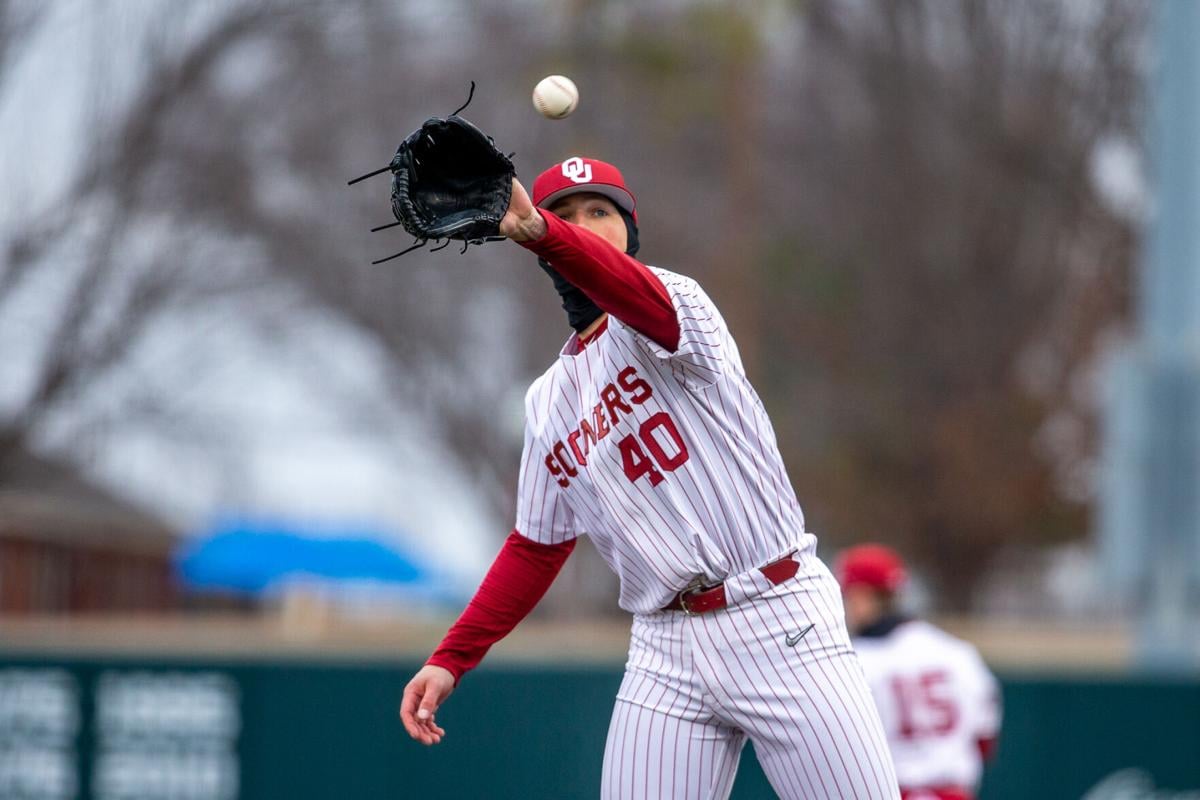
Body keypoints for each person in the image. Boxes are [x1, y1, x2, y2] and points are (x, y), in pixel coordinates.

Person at [400, 156, 899, 799]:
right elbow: (537, 545)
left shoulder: (674, 308)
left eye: (600, 212)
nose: (584, 225)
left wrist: (544, 230)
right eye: (566, 213)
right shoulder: (548, 401)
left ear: (629, 229)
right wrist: (452, 657)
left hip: (780, 617)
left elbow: (628, 293)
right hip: (664, 647)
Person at [835, 544, 1001, 800]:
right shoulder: (958, 653)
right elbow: (984, 742)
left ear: (862, 597)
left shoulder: (855, 662)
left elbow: (842, 754)